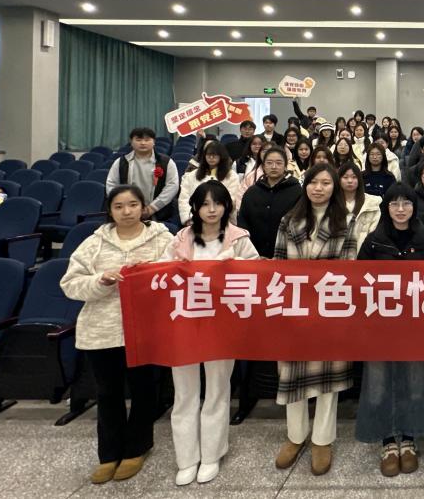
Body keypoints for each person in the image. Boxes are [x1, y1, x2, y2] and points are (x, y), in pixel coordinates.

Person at [60, 185, 174, 484]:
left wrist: (149, 273)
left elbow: (176, 276)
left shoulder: (163, 239)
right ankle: (109, 453)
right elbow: (70, 284)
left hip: (146, 330)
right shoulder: (94, 243)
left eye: (133, 205)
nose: (127, 211)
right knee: (108, 393)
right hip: (102, 330)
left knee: (144, 391)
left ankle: (137, 448)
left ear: (143, 207)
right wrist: (101, 281)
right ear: (110, 211)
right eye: (119, 206)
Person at [163, 181, 259, 486]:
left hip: (221, 325)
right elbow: (160, 276)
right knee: (184, 392)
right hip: (184, 323)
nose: (212, 209)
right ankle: (186, 458)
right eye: (204, 204)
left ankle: (212, 454)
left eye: (217, 203)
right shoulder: (181, 238)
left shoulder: (239, 238)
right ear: (195, 207)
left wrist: (234, 265)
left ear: (227, 206)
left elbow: (257, 274)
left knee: (217, 390)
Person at [273, 164, 362, 477]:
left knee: (328, 381)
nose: (319, 188)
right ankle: (295, 436)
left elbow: (349, 269)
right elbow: (278, 266)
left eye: (326, 183)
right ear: (305, 185)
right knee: (292, 376)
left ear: (334, 187)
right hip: (295, 309)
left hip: (329, 308)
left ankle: (322, 440)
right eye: (314, 182)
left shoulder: (346, 221)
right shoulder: (289, 220)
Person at [355, 183, 424, 477]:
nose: (401, 209)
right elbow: (359, 282)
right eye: (394, 204)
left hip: (414, 327)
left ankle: (410, 438)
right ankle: (388, 441)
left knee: (415, 381)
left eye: (406, 203)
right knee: (378, 382)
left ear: (414, 207)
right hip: (380, 326)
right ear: (386, 208)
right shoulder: (373, 242)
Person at [237, 146, 302, 257]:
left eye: (279, 163)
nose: (274, 166)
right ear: (263, 166)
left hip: (287, 254)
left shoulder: (296, 191)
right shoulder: (252, 192)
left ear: (285, 166)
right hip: (255, 255)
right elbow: (243, 223)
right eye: (269, 163)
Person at [106, 127, 179, 222]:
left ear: (154, 142)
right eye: (138, 140)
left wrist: (152, 208)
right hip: (128, 212)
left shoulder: (166, 162)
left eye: (147, 140)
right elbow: (111, 184)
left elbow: (172, 186)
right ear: (131, 142)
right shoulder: (121, 162)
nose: (143, 143)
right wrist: (123, 204)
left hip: (159, 214)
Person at [178, 140, 244, 225]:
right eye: (208, 155)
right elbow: (184, 198)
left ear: (221, 156)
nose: (211, 157)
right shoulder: (192, 175)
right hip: (194, 221)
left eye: (215, 155)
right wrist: (190, 218)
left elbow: (232, 200)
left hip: (222, 222)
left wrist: (214, 218)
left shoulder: (231, 176)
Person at [337, 162, 380, 246]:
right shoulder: (332, 203)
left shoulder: (372, 204)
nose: (350, 181)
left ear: (359, 180)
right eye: (345, 177)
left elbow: (373, 236)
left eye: (354, 177)